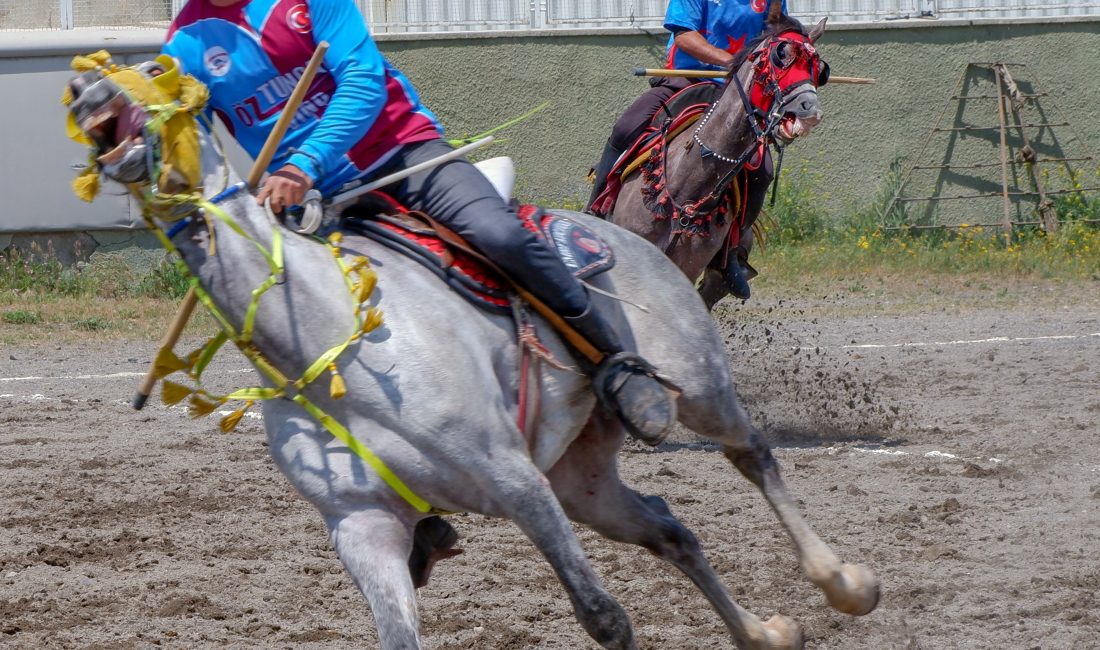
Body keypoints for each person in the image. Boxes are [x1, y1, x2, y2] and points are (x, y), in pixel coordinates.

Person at [162, 0, 675, 445]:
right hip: (318, 202)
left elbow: (362, 81)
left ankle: (615, 364)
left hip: (404, 157)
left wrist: (303, 163)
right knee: (295, 316)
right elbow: (179, 138)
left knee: (500, 235)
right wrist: (122, 124)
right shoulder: (184, 43)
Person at [586, 0, 785, 299]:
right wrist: (733, 61)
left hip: (734, 95)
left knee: (762, 168)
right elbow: (684, 36)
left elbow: (780, 40)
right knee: (627, 126)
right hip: (684, 81)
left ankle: (730, 254)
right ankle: (595, 215)